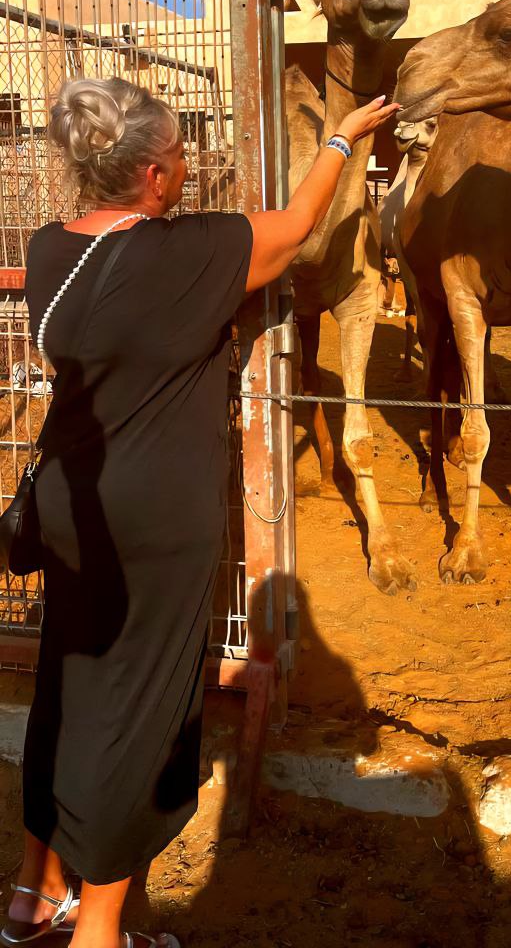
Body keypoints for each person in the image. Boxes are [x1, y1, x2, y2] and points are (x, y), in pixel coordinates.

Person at [1, 76, 397, 948]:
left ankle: (34, 898)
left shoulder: (51, 248)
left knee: (68, 690)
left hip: (70, 509)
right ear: (151, 175)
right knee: (139, 718)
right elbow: (298, 228)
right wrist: (342, 139)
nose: (188, 168)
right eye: (180, 156)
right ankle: (101, 931)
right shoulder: (197, 252)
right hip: (158, 527)